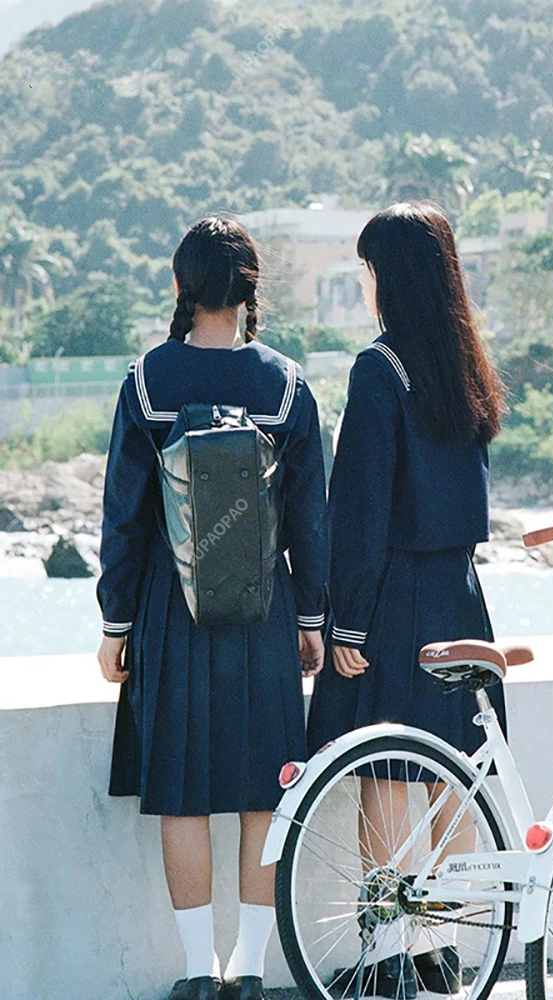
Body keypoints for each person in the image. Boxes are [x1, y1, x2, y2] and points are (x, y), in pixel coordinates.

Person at [96, 217, 328, 1000]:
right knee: (267, 789)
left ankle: (200, 974)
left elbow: (124, 517)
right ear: (251, 290)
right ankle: (251, 971)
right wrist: (310, 619)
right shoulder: (288, 385)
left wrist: (114, 626)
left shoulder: (147, 382)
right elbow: (310, 520)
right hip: (264, 609)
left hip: (171, 607)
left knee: (185, 794)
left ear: (180, 287)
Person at [307, 201, 506, 998]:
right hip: (461, 591)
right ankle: (439, 948)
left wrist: (344, 618)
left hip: (395, 594)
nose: (363, 282)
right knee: (449, 775)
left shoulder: (378, 368)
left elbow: (359, 507)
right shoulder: (464, 365)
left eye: (366, 268)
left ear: (389, 277)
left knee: (388, 775)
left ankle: (388, 948)